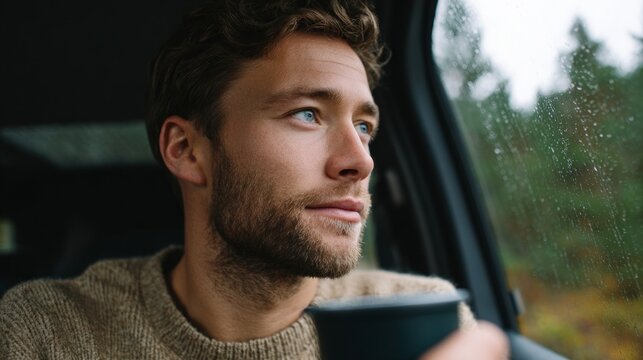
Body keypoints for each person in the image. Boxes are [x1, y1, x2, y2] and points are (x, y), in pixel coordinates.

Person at [0, 0, 508, 358]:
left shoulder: (416, 324)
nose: (360, 161)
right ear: (187, 151)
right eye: (307, 114)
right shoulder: (46, 333)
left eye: (364, 126)